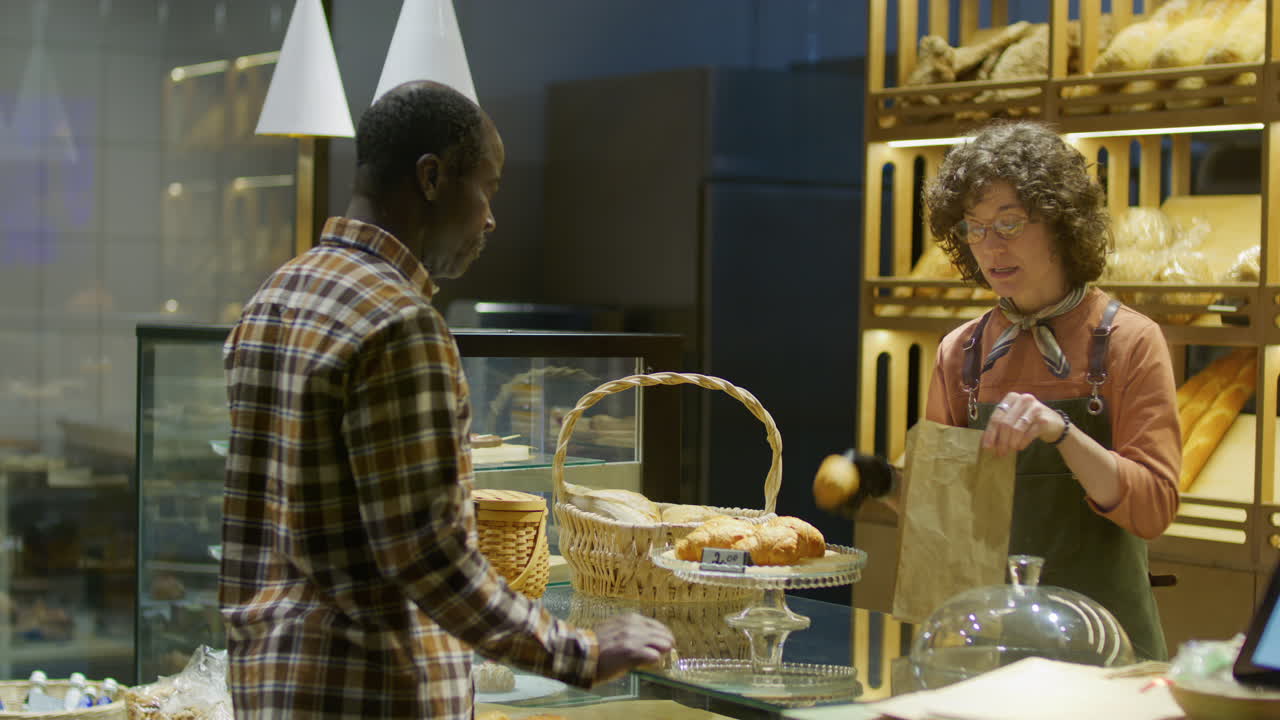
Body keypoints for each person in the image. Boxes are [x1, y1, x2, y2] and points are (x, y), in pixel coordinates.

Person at [221, 81, 674, 720]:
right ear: (431, 178)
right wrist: (579, 651)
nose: (490, 218)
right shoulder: (398, 322)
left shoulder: (275, 296)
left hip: (272, 685)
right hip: (373, 693)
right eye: (487, 188)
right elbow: (428, 554)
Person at [920, 120, 1180, 661]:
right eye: (974, 228)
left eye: (1009, 223)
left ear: (1061, 222)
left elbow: (1154, 509)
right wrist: (893, 486)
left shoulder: (1130, 341)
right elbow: (943, 528)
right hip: (993, 651)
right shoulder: (960, 354)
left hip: (1109, 655)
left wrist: (1062, 433)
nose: (991, 247)